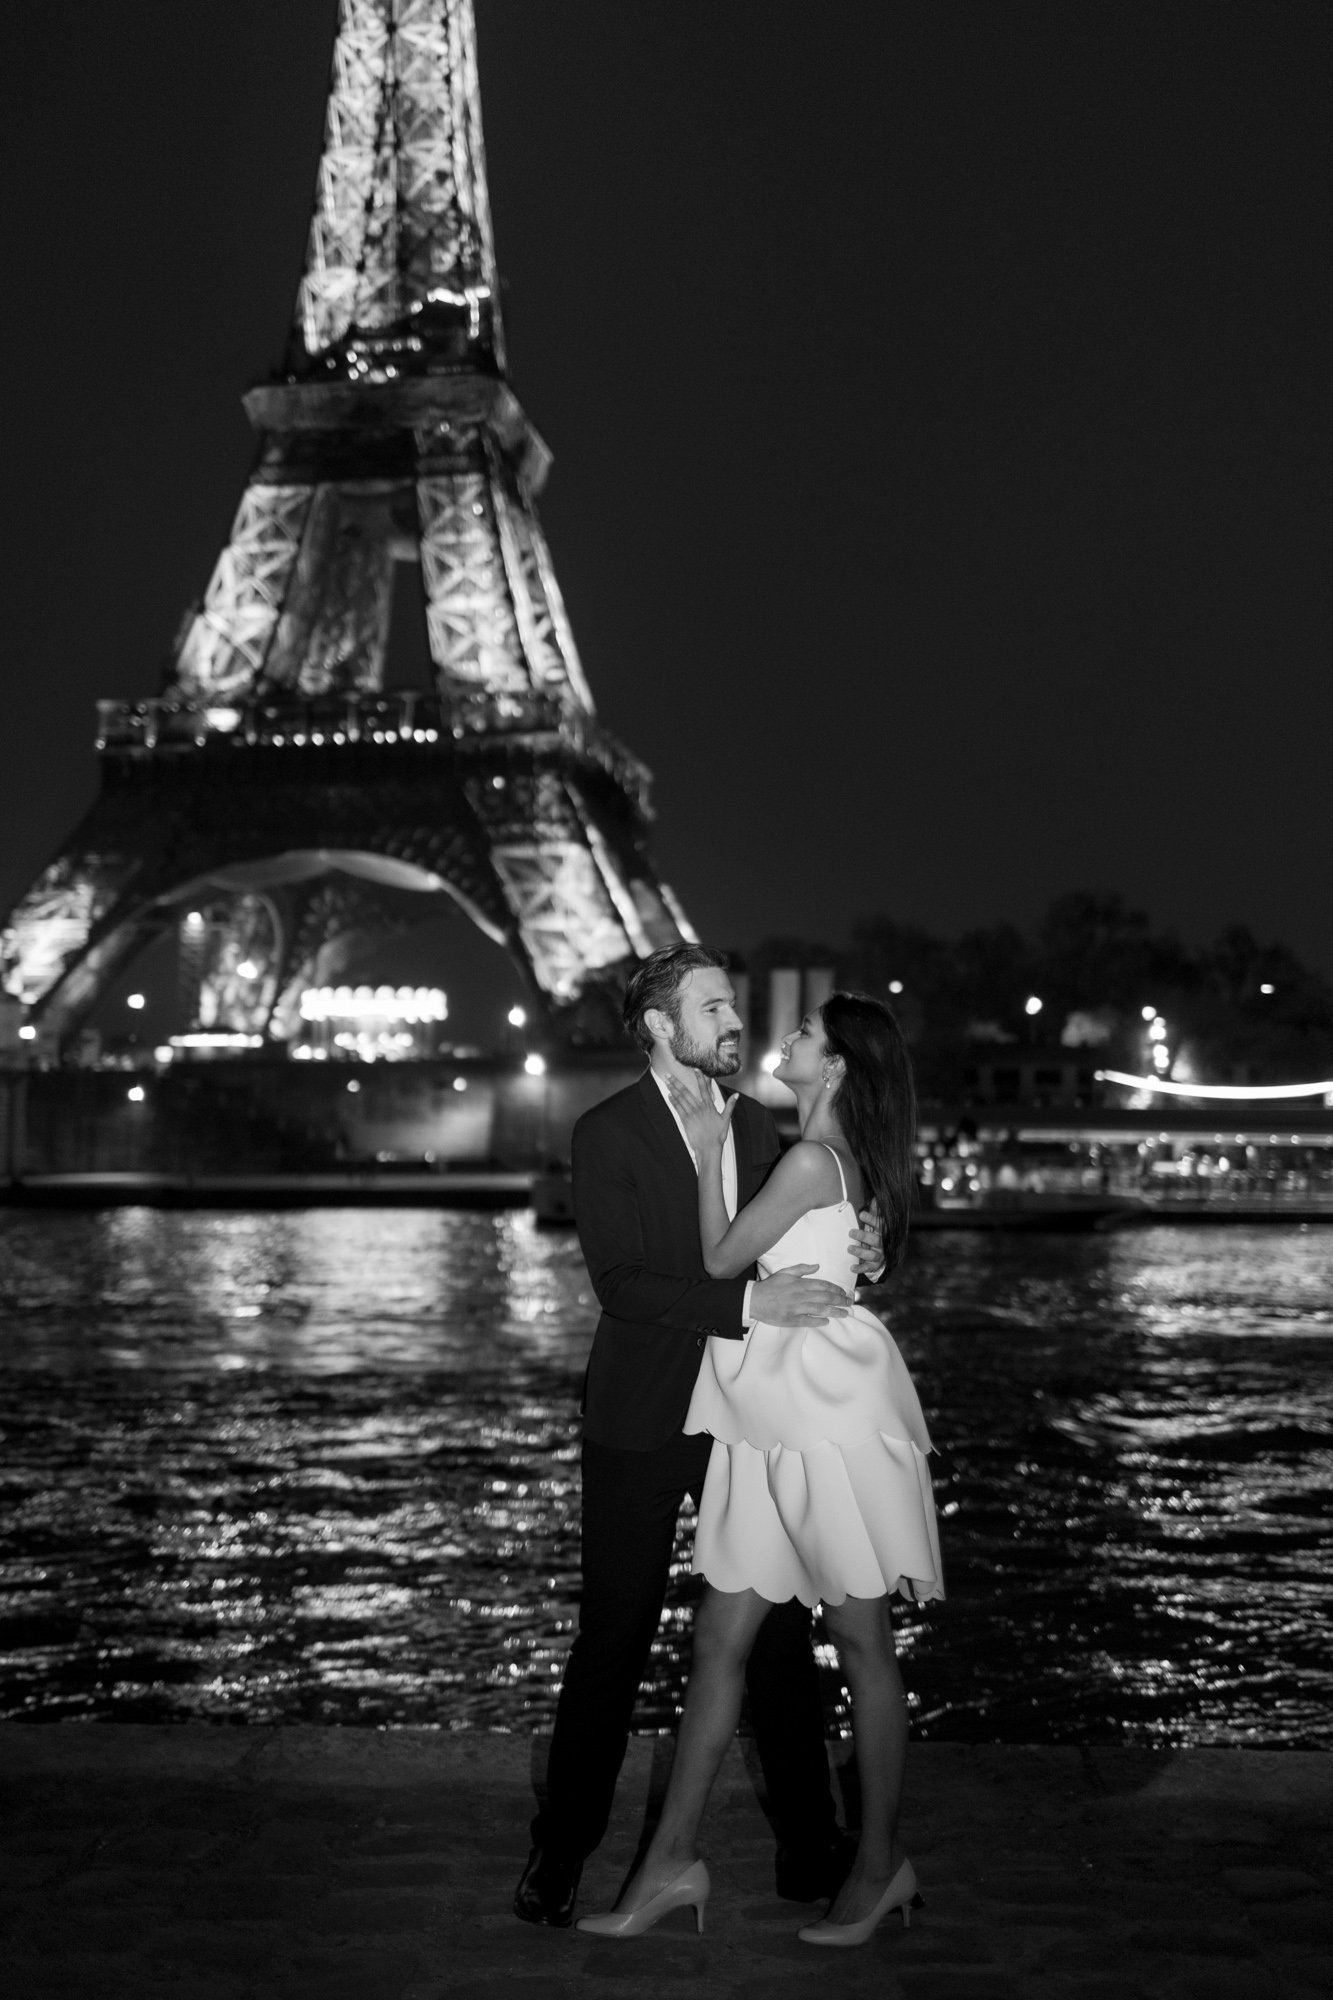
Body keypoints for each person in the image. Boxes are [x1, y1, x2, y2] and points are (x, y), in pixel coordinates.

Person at [514, 945, 886, 1927]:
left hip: (742, 1418)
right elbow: (621, 1284)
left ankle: (811, 1850)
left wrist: (864, 1241)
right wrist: (746, 1300)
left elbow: (793, 1235)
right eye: (713, 1006)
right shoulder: (605, 1133)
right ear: (657, 1025)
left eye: (731, 1003)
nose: (734, 1020)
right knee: (614, 1639)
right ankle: (562, 1852)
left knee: (772, 1644)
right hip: (638, 1418)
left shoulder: (757, 1122)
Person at [577, 991, 942, 1948]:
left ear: (835, 1069)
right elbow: (809, 1252)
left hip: (812, 1420)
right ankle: (669, 1863)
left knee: (860, 1646)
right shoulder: (821, 1159)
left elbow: (713, 1259)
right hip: (771, 1414)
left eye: (804, 1035)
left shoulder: (811, 1161)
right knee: (720, 1646)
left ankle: (875, 1869)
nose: (782, 1038)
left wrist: (704, 1159)